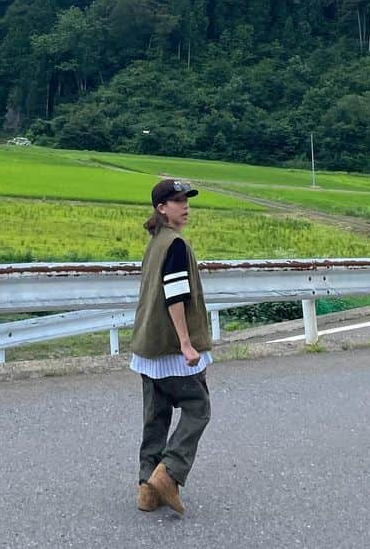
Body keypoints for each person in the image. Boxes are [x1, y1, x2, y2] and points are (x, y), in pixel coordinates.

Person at [129, 177, 212, 516]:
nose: (185, 206)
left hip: (147, 348)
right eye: (178, 201)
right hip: (170, 349)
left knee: (156, 418)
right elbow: (175, 296)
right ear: (161, 208)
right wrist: (187, 344)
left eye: (186, 199)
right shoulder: (175, 244)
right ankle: (169, 472)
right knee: (198, 407)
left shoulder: (156, 242)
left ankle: (147, 489)